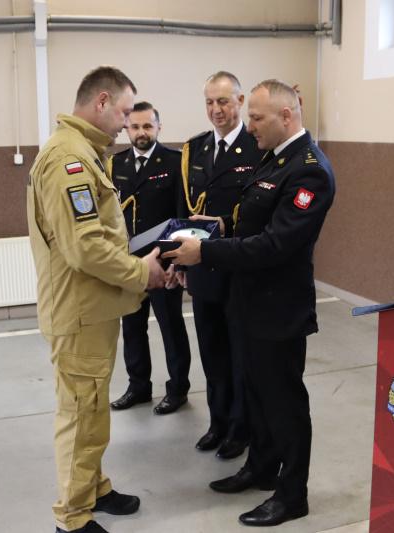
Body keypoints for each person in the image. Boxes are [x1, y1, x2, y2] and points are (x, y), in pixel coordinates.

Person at [164, 79, 335, 527]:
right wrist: (219, 225)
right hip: (249, 303)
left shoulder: (310, 170)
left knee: (284, 404)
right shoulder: (273, 157)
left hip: (279, 310)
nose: (250, 125)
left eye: (256, 117)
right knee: (256, 395)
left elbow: (275, 244)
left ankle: (292, 494)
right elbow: (252, 218)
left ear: (286, 116)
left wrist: (206, 252)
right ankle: (260, 468)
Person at [27, 66, 166, 533]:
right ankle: (71, 517)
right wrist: (142, 273)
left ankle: (93, 488)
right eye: (125, 113)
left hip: (92, 309)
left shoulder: (84, 151)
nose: (128, 124)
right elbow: (84, 248)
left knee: (92, 408)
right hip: (79, 313)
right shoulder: (68, 159)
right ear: (102, 102)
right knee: (80, 412)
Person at [179, 71, 264, 459]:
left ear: (240, 102)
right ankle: (218, 422)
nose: (216, 110)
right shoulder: (195, 149)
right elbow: (184, 211)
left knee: (238, 355)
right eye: (210, 102)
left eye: (224, 102)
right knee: (211, 353)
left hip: (238, 269)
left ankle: (240, 428)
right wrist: (179, 263)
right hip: (202, 270)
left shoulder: (257, 147)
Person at [107, 102, 193, 415]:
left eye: (147, 126)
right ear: (126, 129)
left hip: (163, 262)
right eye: (135, 126)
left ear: (159, 127)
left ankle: (178, 389)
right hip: (130, 264)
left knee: (171, 327)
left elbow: (182, 216)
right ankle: (139, 386)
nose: (141, 132)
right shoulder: (115, 165)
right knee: (132, 326)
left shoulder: (176, 161)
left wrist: (177, 263)